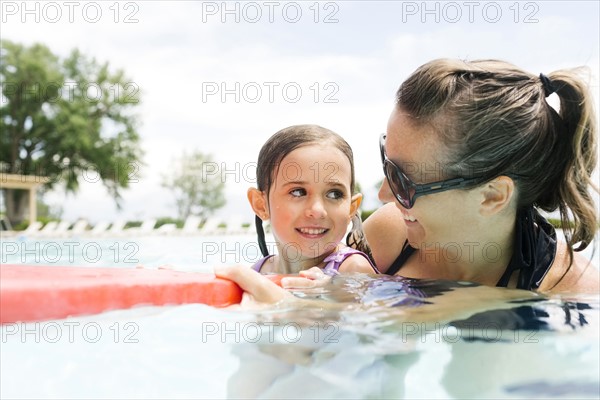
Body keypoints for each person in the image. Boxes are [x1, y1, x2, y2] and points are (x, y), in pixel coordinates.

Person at [216, 58, 598, 302]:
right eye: (387, 163)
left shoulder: (572, 292)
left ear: (492, 197)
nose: (382, 195)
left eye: (404, 181)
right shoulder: (389, 236)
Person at [247, 124, 379, 277]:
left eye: (334, 194)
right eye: (298, 192)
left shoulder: (352, 269)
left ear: (351, 208)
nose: (317, 211)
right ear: (261, 205)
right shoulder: (259, 270)